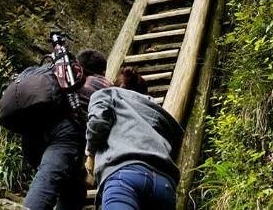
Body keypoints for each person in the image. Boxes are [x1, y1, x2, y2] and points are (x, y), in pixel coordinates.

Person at [22, 49, 112, 210]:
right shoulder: (103, 84)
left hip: (35, 130)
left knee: (73, 188)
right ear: (103, 71)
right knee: (50, 178)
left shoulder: (63, 76)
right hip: (67, 132)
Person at [84, 67, 184, 210]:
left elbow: (98, 121)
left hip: (124, 174)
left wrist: (91, 153)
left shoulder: (107, 93)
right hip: (164, 183)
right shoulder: (157, 110)